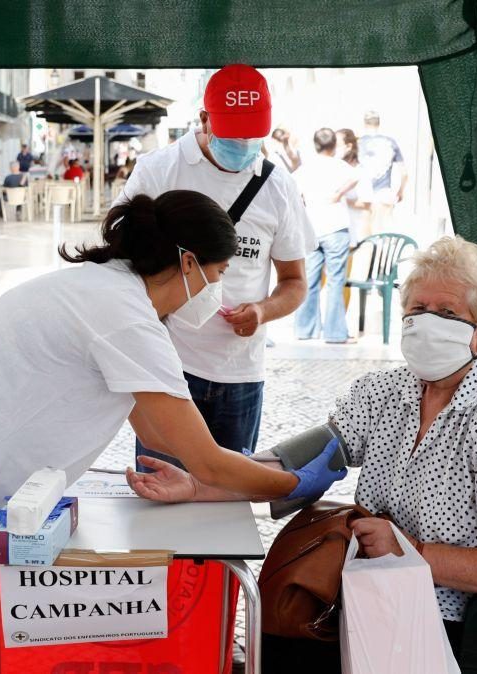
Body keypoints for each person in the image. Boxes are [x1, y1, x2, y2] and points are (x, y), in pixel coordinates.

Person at [0, 189, 347, 674]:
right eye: (219, 273)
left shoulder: (109, 289)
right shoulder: (123, 315)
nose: (218, 290)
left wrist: (214, 480)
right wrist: (293, 485)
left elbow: (160, 430)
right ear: (189, 263)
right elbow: (204, 456)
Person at [127, 236, 477, 672]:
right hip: (376, 589)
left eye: (448, 313)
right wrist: (199, 484)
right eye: (417, 310)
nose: (428, 322)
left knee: (300, 644)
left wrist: (413, 551)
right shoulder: (384, 392)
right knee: (284, 620)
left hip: (470, 619)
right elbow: (300, 464)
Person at [115, 63, 314, 469]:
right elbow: (120, 260)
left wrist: (262, 311)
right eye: (232, 133)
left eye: (252, 135)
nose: (243, 144)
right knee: (162, 494)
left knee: (228, 502)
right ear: (203, 119)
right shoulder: (158, 170)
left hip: (241, 374)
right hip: (166, 366)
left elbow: (294, 282)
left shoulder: (278, 186)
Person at [292, 128, 358, 344]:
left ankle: (305, 329)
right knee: (335, 280)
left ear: (315, 144)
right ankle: (335, 333)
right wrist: (338, 193)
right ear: (333, 146)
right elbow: (356, 177)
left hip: (311, 228)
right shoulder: (341, 166)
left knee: (309, 279)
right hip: (336, 228)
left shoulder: (306, 169)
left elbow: (293, 190)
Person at [358, 110, 407, 236]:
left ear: (365, 123)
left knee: (365, 238)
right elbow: (404, 172)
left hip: (363, 194)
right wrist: (400, 192)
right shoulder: (390, 142)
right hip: (385, 192)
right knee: (384, 236)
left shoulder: (357, 143)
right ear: (378, 123)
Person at [335, 128, 370, 243]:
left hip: (353, 233)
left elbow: (366, 204)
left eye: (337, 144)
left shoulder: (360, 171)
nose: (334, 148)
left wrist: (340, 199)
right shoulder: (334, 168)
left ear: (349, 146)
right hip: (333, 232)